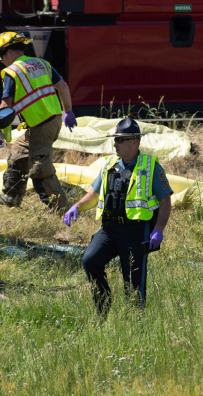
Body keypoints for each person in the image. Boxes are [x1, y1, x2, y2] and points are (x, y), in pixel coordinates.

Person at [63, 119, 173, 315]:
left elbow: (165, 199)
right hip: (110, 229)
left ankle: (135, 325)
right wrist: (77, 207)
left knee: (132, 283)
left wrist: (158, 230)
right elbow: (95, 194)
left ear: (135, 142)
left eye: (120, 140)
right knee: (90, 260)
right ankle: (103, 309)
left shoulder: (150, 166)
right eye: (115, 140)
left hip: (136, 231)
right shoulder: (109, 165)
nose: (115, 144)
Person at [0, 31, 76, 210]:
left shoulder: (12, 71)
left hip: (41, 125)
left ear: (9, 53)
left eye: (1, 56)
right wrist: (68, 112)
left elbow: (6, 104)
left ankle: (60, 210)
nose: (1, 61)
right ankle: (12, 196)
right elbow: (63, 86)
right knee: (19, 154)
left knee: (40, 169)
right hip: (50, 121)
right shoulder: (42, 63)